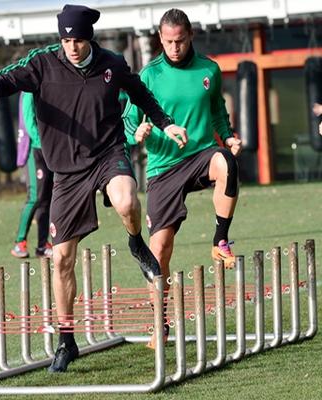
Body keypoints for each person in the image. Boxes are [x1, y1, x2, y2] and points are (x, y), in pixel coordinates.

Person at [0, 4, 187, 373]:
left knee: (125, 201)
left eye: (78, 39)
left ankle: (136, 242)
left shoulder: (111, 63)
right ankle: (66, 339)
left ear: (90, 38)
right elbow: (3, 77)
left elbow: (142, 96)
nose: (72, 46)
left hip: (107, 153)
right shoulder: (42, 63)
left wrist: (165, 123)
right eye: (66, 39)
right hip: (66, 172)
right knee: (61, 259)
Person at [123, 8, 242, 348]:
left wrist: (229, 136)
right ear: (159, 39)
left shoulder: (209, 69)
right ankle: (159, 324)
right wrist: (139, 133)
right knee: (159, 249)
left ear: (190, 36)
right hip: (163, 167)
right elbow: (129, 120)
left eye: (179, 41)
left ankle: (220, 241)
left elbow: (218, 110)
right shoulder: (149, 75)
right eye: (167, 42)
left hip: (201, 153)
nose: (173, 48)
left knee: (226, 163)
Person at [11, 92, 54, 259]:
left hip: (47, 150)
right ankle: (19, 242)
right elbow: (29, 122)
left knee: (46, 198)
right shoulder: (28, 90)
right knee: (35, 197)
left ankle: (42, 245)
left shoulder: (48, 85)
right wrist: (43, 144)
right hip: (34, 151)